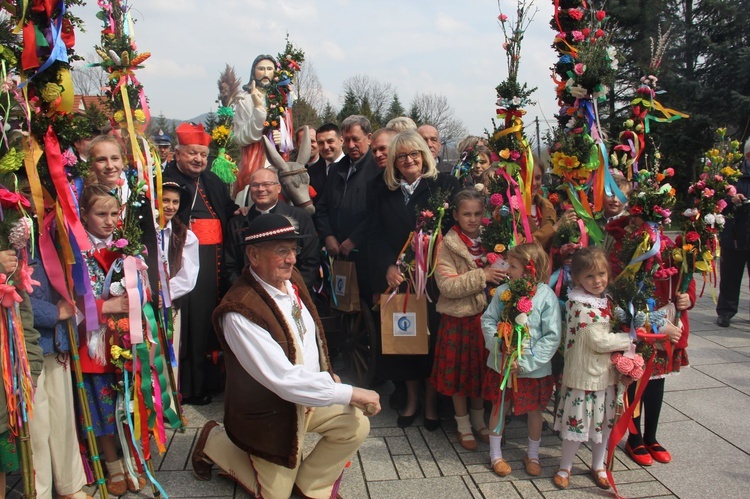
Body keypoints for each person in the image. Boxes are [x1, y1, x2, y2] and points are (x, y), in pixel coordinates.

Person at [190, 214, 380, 497]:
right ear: (253, 255)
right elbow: (283, 380)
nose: (291, 259)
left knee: (356, 425)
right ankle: (213, 441)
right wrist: (350, 393)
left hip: (304, 399)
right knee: (276, 495)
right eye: (282, 251)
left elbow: (309, 338)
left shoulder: (291, 281)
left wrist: (326, 377)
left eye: (294, 249)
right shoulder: (239, 310)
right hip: (269, 414)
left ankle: (311, 486)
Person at [369, 129, 460, 429]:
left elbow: (455, 231)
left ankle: (432, 404)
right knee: (404, 341)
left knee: (432, 340)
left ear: (424, 155)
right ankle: (411, 400)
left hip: (434, 279)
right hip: (400, 280)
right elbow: (376, 234)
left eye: (415, 154)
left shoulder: (444, 185)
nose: (409, 160)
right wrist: (386, 266)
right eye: (402, 156)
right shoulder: (380, 190)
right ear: (393, 162)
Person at [163, 122, 239, 405]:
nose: (198, 160)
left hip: (216, 261)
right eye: (192, 154)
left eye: (203, 156)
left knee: (211, 320)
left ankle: (213, 380)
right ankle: (190, 387)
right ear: (178, 153)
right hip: (187, 262)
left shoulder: (213, 181)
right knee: (191, 324)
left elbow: (229, 210)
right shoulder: (167, 180)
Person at [77, 184, 147, 495]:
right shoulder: (75, 252)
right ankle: (112, 465)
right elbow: (69, 299)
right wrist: (106, 306)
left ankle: (135, 460)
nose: (108, 221)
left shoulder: (127, 247)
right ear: (84, 215)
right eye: (100, 214)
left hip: (126, 337)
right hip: (94, 344)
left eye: (114, 213)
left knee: (129, 402)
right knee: (102, 405)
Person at [552, 247, 633, 490]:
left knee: (604, 424)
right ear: (577, 278)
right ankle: (565, 466)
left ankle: (598, 465)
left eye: (601, 274)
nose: (597, 280)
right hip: (583, 378)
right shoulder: (579, 305)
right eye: (589, 276)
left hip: (605, 376)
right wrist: (631, 339)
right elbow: (599, 341)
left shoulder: (605, 299)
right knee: (575, 425)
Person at [480, 243, 561, 477]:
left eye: (512, 266)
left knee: (535, 410)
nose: (507, 269)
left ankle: (533, 454)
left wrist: (525, 362)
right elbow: (488, 320)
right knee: (500, 405)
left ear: (529, 270)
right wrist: (499, 348)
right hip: (502, 364)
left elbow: (551, 336)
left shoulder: (546, 297)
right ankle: (495, 454)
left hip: (533, 368)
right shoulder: (503, 291)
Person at [432, 189, 504, 450]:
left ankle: (479, 420)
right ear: (455, 214)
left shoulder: (492, 239)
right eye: (466, 214)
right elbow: (447, 286)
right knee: (459, 376)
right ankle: (463, 425)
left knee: (479, 373)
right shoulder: (446, 244)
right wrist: (482, 276)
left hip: (486, 318)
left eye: (477, 213)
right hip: (459, 319)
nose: (472, 219)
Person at [28, 242, 92, 499]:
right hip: (28, 344)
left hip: (59, 340)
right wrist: (54, 312)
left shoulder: (56, 230)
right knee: (36, 426)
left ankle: (70, 486)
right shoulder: (10, 232)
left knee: (63, 416)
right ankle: (39, 492)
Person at [625, 237, 692, 466]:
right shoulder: (631, 239)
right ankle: (634, 437)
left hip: (666, 325)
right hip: (638, 323)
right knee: (634, 378)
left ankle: (651, 435)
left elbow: (685, 276)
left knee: (656, 381)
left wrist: (687, 298)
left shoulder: (672, 246)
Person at [316, 115, 380, 301]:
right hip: (338, 255)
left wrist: (354, 239)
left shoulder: (378, 169)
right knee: (344, 306)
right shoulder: (337, 169)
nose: (351, 145)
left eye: (356, 139)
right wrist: (327, 236)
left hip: (367, 256)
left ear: (368, 138)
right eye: (347, 140)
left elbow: (377, 212)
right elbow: (322, 207)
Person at [225, 168, 320, 291]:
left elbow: (311, 260)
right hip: (250, 294)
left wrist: (292, 291)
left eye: (267, 184)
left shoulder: (300, 217)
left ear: (278, 188)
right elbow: (230, 266)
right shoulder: (238, 223)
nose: (261, 189)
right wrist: (247, 292)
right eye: (255, 185)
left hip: (292, 292)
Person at [234, 54, 283, 190]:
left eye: (269, 69)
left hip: (279, 157)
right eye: (261, 69)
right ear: (253, 72)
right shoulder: (244, 100)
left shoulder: (282, 98)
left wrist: (283, 138)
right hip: (254, 157)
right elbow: (239, 136)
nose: (266, 73)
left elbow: (289, 130)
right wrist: (258, 109)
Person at [716, 138, 750, 327]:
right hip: (735, 235)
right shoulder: (733, 175)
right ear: (747, 156)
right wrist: (732, 200)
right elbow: (719, 200)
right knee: (730, 277)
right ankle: (726, 312)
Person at [528, 160, 577, 250]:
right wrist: (555, 227)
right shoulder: (511, 210)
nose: (534, 183)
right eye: (528, 178)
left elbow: (551, 244)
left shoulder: (547, 206)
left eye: (538, 178)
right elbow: (522, 245)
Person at [309, 123, 345, 208]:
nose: (325, 147)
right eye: (321, 143)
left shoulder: (353, 167)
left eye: (330, 141)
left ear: (341, 141)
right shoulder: (311, 172)